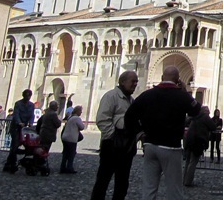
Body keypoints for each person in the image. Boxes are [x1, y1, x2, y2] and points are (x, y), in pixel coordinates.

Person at [124, 66, 201, 200]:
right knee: (174, 190)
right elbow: (196, 110)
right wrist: (185, 91)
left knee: (149, 188)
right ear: (178, 80)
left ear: (161, 78)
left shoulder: (147, 94)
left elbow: (129, 116)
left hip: (150, 146)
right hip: (170, 147)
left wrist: (140, 133)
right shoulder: (181, 95)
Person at [90, 70, 139, 200]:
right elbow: (102, 119)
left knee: (122, 182)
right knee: (103, 179)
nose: (135, 84)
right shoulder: (111, 96)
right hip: (111, 146)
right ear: (122, 81)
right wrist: (114, 136)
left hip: (126, 147)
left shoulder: (131, 100)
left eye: (136, 82)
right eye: (132, 81)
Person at [183, 105, 216, 187]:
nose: (209, 111)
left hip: (190, 140)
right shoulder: (205, 117)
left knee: (188, 162)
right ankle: (188, 181)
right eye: (207, 110)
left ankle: (184, 180)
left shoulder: (195, 117)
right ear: (204, 111)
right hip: (198, 141)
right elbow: (213, 127)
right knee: (193, 162)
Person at [3, 88, 35, 173]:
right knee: (15, 145)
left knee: (28, 144)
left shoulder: (31, 105)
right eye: (26, 96)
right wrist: (19, 122)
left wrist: (31, 123)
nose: (27, 98)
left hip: (25, 127)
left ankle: (13, 162)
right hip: (16, 127)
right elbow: (16, 114)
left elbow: (32, 115)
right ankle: (12, 163)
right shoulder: (18, 104)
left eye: (29, 96)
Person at [60, 105, 85, 174]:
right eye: (80, 111)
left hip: (65, 137)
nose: (81, 113)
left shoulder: (70, 117)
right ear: (78, 111)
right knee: (71, 154)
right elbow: (82, 127)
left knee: (65, 154)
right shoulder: (77, 118)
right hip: (71, 138)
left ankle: (63, 167)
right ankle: (69, 167)